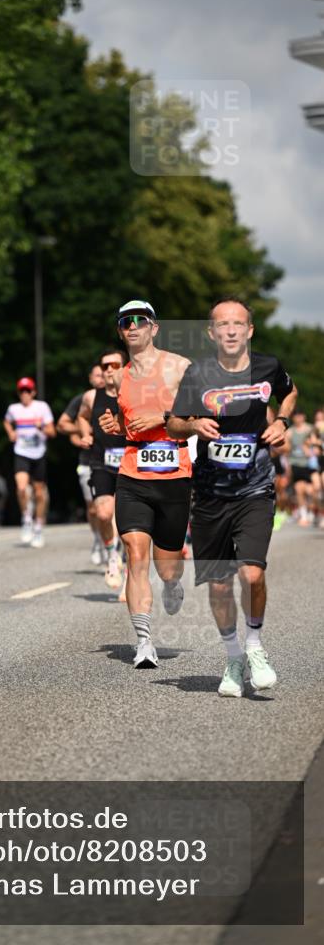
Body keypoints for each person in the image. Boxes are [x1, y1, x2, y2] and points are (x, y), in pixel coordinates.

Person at [168, 297, 297, 697]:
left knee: (252, 572)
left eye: (237, 323)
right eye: (222, 324)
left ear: (249, 330)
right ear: (212, 333)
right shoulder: (198, 373)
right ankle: (233, 657)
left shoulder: (268, 366)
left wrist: (283, 422)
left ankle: (255, 646)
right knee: (220, 585)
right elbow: (172, 425)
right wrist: (192, 424)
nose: (230, 330)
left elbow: (290, 393)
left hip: (255, 488)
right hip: (209, 494)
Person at [99, 300, 191, 669]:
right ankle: (144, 643)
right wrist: (115, 429)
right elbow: (128, 425)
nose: (133, 326)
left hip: (174, 474)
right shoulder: (119, 377)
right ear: (121, 331)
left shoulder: (180, 367)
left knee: (167, 567)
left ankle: (171, 583)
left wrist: (164, 417)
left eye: (140, 320)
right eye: (126, 322)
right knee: (135, 554)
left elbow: (203, 415)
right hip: (133, 473)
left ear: (154, 328)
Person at [77, 349, 128, 587]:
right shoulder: (91, 397)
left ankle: (130, 573)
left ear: (125, 367)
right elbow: (81, 417)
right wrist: (85, 434)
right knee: (104, 514)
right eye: (105, 366)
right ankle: (112, 556)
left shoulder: (134, 393)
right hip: (101, 461)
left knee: (128, 520)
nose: (108, 370)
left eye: (114, 365)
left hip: (131, 461)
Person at [57, 363, 106, 565]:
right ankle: (98, 539)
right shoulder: (84, 399)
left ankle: (115, 543)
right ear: (90, 378)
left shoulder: (122, 395)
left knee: (116, 507)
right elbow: (61, 424)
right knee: (93, 508)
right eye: (97, 374)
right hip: (89, 460)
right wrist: (83, 432)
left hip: (118, 459)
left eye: (104, 373)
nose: (102, 377)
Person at [3, 377, 56, 548]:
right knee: (21, 488)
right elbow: (6, 421)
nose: (25, 394)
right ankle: (26, 519)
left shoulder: (42, 407)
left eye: (28, 391)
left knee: (39, 493)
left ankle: (38, 527)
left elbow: (52, 432)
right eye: (21, 391)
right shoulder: (14, 409)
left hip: (38, 454)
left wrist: (41, 427)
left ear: (33, 392)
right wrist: (10, 432)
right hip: (21, 453)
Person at [286, 410, 314, 526]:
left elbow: (316, 443)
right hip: (295, 463)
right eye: (296, 416)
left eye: (300, 416)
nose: (298, 418)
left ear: (304, 416)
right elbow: (286, 449)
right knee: (298, 489)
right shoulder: (290, 431)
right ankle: (303, 514)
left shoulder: (310, 429)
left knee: (311, 490)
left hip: (309, 464)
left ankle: (312, 510)